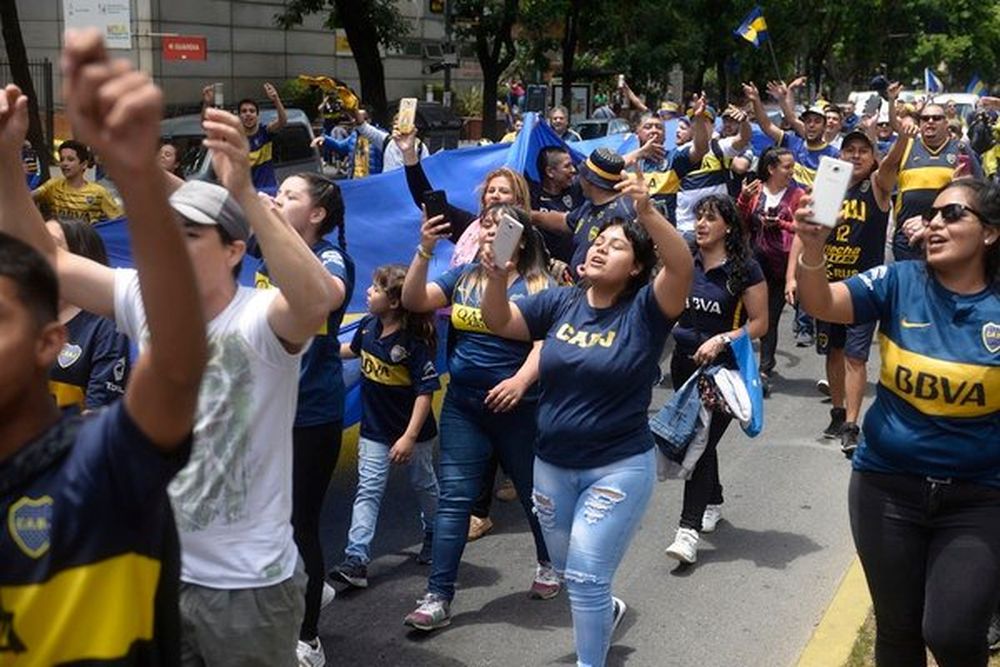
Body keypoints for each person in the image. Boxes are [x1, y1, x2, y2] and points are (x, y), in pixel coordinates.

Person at [10, 82, 341, 662]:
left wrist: (241, 188)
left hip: (249, 587)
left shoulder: (261, 317)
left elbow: (316, 303)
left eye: (189, 234)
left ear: (233, 250)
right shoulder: (144, 295)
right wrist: (6, 161)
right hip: (161, 567)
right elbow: (49, 261)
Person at [0, 31, 207, 663]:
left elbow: (173, 363)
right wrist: (6, 161)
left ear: (48, 342)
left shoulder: (103, 460)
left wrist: (138, 173)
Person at [479, 166, 693, 667]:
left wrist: (647, 213)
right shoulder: (561, 302)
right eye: (598, 241)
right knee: (568, 570)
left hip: (617, 467)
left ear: (638, 267)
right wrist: (493, 280)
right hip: (552, 465)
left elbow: (681, 266)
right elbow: (500, 321)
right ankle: (607, 611)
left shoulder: (647, 309)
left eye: (616, 246)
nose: (599, 247)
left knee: (589, 576)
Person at [793, 178, 1000, 667]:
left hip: (980, 497)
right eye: (931, 215)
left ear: (989, 233)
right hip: (886, 488)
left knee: (950, 633)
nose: (935, 224)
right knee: (898, 631)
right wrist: (812, 247)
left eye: (952, 215)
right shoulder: (897, 281)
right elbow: (820, 303)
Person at [401, 204, 560, 631]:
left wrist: (521, 383)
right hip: (464, 406)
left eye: (501, 227)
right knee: (455, 499)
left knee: (534, 493)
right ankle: (438, 595)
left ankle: (550, 563)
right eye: (485, 226)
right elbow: (413, 300)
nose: (489, 233)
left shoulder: (541, 283)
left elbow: (544, 345)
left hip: (519, 410)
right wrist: (424, 249)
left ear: (520, 238)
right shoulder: (464, 276)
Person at [252, 172, 354, 667]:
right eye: (278, 192)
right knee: (261, 517)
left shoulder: (331, 257)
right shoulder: (263, 240)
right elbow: (201, 206)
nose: (278, 199)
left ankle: (308, 639)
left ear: (316, 214)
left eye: (290, 196)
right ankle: (305, 586)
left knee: (300, 524)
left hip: (310, 413)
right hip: (262, 409)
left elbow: (328, 295)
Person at [663, 194, 767, 564]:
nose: (702, 224)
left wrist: (722, 338)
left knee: (698, 443)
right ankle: (714, 499)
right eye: (698, 217)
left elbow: (759, 323)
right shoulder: (685, 260)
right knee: (702, 440)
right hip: (682, 366)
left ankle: (687, 531)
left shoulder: (745, 269)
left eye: (710, 218)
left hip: (722, 374)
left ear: (728, 226)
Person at [786, 128, 901, 452]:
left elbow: (891, 163)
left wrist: (903, 136)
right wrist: (792, 277)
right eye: (849, 149)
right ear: (840, 155)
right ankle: (837, 412)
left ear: (874, 157)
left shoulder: (877, 186)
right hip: (827, 287)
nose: (855, 155)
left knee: (855, 356)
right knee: (834, 353)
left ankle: (852, 423)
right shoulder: (828, 188)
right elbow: (802, 235)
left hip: (864, 289)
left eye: (863, 150)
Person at [331, 264, 440, 588]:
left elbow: (425, 392)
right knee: (368, 490)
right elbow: (350, 351)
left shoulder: (413, 342)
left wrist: (409, 437)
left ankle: (435, 532)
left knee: (424, 484)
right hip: (375, 431)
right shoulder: (367, 327)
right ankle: (357, 560)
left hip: (414, 434)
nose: (368, 291)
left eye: (376, 288)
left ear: (394, 302)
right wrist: (316, 345)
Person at [882, 83, 984, 261]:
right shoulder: (906, 146)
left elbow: (979, 193)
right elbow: (884, 167)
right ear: (919, 123)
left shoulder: (960, 150)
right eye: (925, 118)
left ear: (947, 123)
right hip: (907, 241)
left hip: (947, 237)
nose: (930, 122)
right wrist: (891, 101)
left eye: (936, 118)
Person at [736, 147, 804, 395]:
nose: (791, 171)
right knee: (742, 316)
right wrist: (743, 198)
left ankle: (764, 369)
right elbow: (738, 220)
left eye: (792, 166)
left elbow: (802, 227)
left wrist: (780, 223)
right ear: (771, 168)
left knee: (770, 319)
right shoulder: (755, 190)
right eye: (786, 167)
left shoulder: (798, 194)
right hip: (752, 265)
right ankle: (735, 364)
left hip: (780, 268)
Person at [46, 219, 130, 413]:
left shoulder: (106, 327)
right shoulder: (20, 314)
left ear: (79, 259)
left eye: (50, 244)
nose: (37, 251)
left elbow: (97, 413)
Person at [745, 80, 840, 188]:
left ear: (824, 127)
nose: (811, 125)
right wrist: (756, 100)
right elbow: (767, 126)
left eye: (817, 121)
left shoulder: (834, 155)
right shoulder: (792, 143)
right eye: (808, 121)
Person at [675, 104, 752, 234]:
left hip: (716, 227)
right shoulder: (679, 152)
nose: (699, 124)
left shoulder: (721, 147)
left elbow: (743, 139)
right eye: (695, 120)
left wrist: (744, 122)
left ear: (713, 126)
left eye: (704, 120)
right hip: (685, 227)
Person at [203, 81, 287, 195]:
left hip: (267, 192)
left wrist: (276, 99)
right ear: (239, 116)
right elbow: (208, 125)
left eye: (252, 111)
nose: (248, 114)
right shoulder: (233, 137)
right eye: (244, 111)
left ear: (257, 115)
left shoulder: (265, 132)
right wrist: (207, 104)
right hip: (243, 195)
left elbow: (282, 122)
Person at [32, 139, 121, 224]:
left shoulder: (98, 192)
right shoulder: (53, 185)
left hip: (84, 239)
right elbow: (28, 198)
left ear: (84, 164)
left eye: (70, 159)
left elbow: (118, 221)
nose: (64, 164)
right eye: (62, 159)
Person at [531, 146, 583, 263]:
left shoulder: (576, 188)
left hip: (574, 267)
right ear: (550, 172)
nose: (573, 170)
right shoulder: (532, 195)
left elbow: (604, 171)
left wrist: (634, 154)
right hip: (543, 268)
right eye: (567, 166)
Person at [310, 108, 385, 178]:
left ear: (369, 120)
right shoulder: (354, 135)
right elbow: (340, 147)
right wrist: (325, 139)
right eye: (355, 118)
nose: (356, 121)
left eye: (361, 118)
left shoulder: (380, 136)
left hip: (374, 179)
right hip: (355, 179)